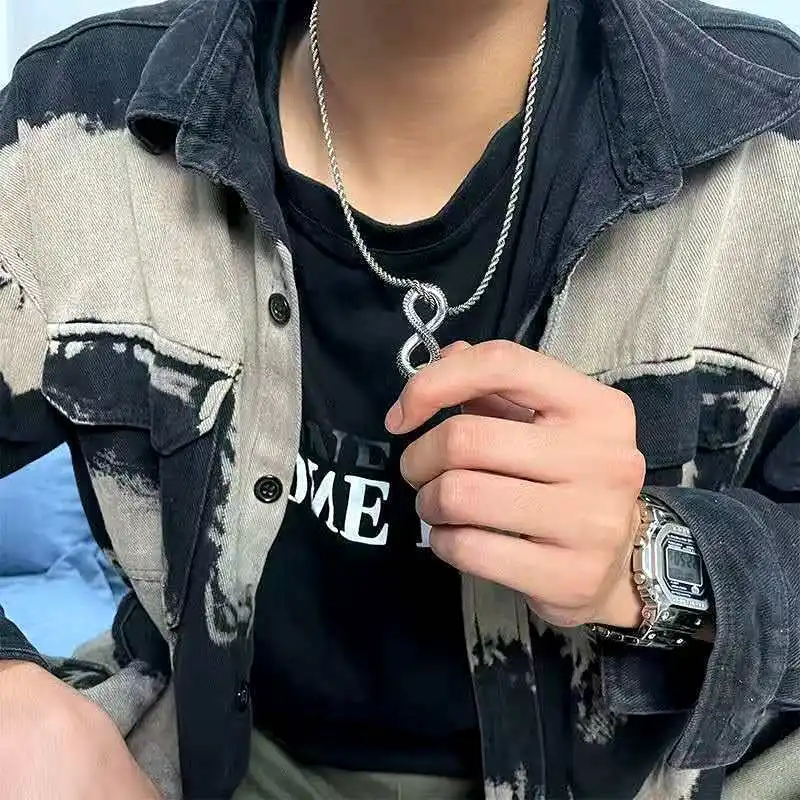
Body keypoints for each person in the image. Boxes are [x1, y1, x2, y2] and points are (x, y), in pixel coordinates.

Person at [0, 0, 798, 798]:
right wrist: (17, 704)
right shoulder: (78, 121)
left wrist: (653, 560)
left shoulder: (768, 137)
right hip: (208, 749)